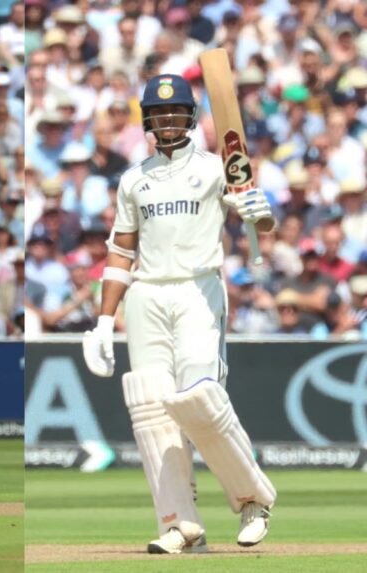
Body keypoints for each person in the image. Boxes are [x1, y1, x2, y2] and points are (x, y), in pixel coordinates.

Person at [81, 74, 277, 554]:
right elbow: (121, 253)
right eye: (159, 114)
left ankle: (253, 501)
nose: (168, 121)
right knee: (151, 410)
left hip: (198, 289)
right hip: (146, 294)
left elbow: (255, 212)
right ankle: (179, 523)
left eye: (176, 112)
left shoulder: (216, 169)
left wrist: (256, 209)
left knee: (199, 400)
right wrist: (105, 320)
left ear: (190, 116)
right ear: (147, 120)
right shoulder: (134, 178)